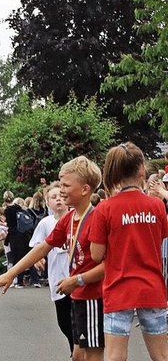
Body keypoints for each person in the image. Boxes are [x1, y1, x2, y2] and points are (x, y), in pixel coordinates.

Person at [0, 156, 105, 361]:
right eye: (60, 184)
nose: (61, 190)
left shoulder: (96, 219)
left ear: (85, 189)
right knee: (77, 355)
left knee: (92, 355)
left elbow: (108, 265)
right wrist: (11, 273)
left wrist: (77, 280)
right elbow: (43, 247)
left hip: (93, 297)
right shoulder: (68, 219)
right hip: (77, 296)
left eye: (66, 185)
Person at [89, 142, 168, 360]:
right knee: (162, 356)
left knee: (115, 357)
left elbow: (96, 255)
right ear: (142, 169)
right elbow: (160, 238)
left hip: (118, 288)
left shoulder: (104, 209)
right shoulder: (156, 206)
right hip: (152, 287)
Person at [30, 182, 73, 356]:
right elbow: (37, 245)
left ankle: (77, 350)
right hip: (57, 278)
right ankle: (75, 347)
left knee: (78, 319)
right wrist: (38, 259)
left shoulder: (76, 218)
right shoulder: (46, 223)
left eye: (61, 196)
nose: (58, 200)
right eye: (53, 197)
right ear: (47, 202)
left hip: (76, 277)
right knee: (64, 321)